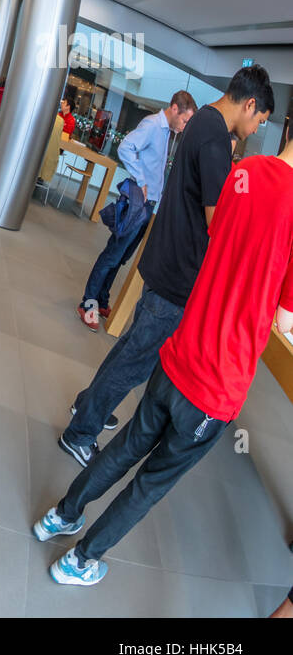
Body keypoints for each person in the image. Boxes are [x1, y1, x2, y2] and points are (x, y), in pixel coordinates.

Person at [36, 132, 293, 587]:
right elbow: (285, 320)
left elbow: (218, 239)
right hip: (217, 384)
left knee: (126, 446)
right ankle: (80, 561)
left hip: (180, 351)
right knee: (150, 483)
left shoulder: (245, 172)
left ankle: (60, 515)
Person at [59, 66, 273, 466]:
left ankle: (89, 406)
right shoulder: (214, 140)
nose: (256, 129)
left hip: (165, 261)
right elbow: (218, 220)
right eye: (259, 120)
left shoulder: (202, 122)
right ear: (249, 105)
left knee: (128, 348)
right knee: (135, 361)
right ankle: (80, 433)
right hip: (180, 275)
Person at [77, 91, 196, 332]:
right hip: (138, 204)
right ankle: (87, 303)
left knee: (121, 258)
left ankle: (101, 300)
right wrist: (141, 180)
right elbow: (125, 148)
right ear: (174, 109)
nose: (184, 126)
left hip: (148, 205)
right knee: (112, 254)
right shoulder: (153, 125)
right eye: (184, 120)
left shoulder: (166, 133)